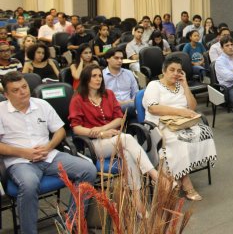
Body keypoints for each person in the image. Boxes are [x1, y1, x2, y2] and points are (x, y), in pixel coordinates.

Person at [0, 71, 97, 234]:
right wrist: (23, 153)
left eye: (24, 87)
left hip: (50, 156)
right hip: (20, 161)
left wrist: (50, 146)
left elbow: (60, 130)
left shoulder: (41, 104)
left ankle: (72, 223)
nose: (23, 92)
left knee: (88, 170)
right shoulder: (1, 111)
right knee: (29, 184)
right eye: (16, 90)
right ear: (6, 95)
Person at [69, 65, 160, 216]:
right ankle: (154, 174)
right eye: (94, 76)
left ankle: (137, 202)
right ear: (86, 79)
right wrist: (100, 133)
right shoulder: (78, 99)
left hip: (114, 139)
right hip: (93, 144)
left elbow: (119, 118)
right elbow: (76, 128)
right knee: (126, 138)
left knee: (128, 154)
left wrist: (104, 129)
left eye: (100, 76)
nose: (98, 79)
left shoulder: (108, 94)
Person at [142, 57, 217, 201]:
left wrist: (186, 85)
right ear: (164, 71)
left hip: (180, 123)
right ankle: (185, 182)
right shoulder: (154, 85)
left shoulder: (180, 85)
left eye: (179, 71)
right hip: (159, 125)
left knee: (204, 133)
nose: (176, 73)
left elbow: (192, 107)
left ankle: (176, 177)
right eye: (172, 70)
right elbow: (153, 108)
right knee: (179, 140)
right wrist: (180, 112)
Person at [102, 48, 139, 116]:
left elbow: (136, 93)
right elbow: (102, 100)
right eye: (116, 58)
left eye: (121, 58)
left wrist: (134, 101)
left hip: (131, 107)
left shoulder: (129, 73)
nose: (119, 61)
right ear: (107, 59)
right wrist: (126, 103)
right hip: (112, 108)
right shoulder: (101, 76)